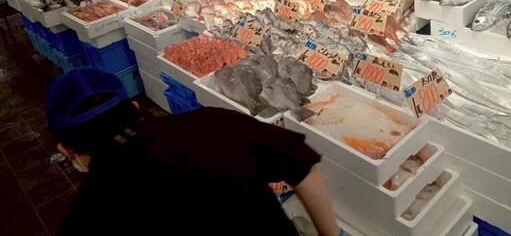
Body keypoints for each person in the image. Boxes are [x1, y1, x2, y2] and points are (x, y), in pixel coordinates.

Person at [45, 67, 342, 236]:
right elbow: (301, 164)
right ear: (134, 107)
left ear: (67, 151)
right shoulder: (215, 123)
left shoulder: (81, 220)